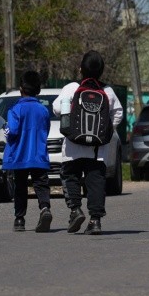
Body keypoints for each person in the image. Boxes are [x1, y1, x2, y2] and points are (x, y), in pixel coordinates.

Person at [52, 50, 123, 235]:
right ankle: (95, 220)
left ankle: (75, 210)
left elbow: (57, 108)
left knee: (70, 177)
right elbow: (118, 113)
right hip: (97, 150)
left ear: (80, 69)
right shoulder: (107, 91)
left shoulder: (71, 88)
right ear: (102, 71)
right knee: (96, 183)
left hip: (72, 146)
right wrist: (106, 131)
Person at [3, 71, 52, 233]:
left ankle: (19, 219)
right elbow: (46, 130)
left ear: (20, 89)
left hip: (20, 155)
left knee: (20, 186)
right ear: (38, 90)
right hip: (38, 154)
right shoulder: (43, 110)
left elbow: (13, 131)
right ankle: (45, 208)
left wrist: (6, 130)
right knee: (41, 183)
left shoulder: (15, 109)